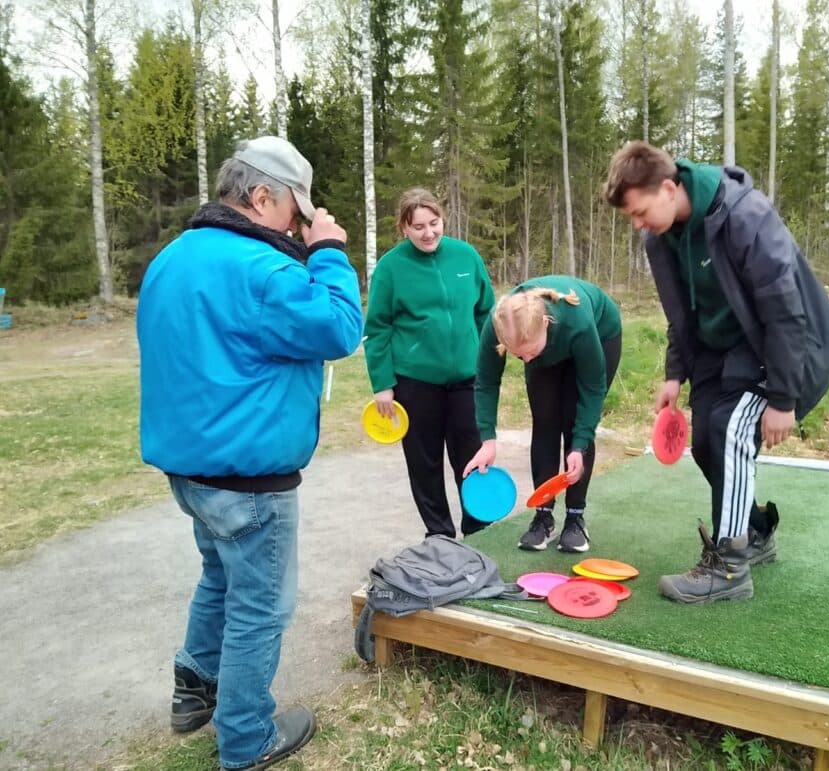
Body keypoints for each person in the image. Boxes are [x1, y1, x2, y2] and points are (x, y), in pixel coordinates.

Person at [137, 136, 363, 770]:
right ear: (262, 196)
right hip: (248, 479)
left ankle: (193, 689)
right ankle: (244, 739)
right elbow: (341, 327)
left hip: (190, 470)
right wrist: (328, 250)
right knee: (260, 606)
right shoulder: (263, 270)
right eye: (293, 212)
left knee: (219, 576)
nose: (294, 227)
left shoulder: (170, 259)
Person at [603, 140, 829, 604]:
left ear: (669, 188)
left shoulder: (744, 216)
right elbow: (680, 311)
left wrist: (783, 398)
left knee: (732, 431)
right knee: (707, 443)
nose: (637, 224)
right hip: (722, 351)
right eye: (631, 217)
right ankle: (755, 531)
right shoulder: (660, 237)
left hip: (784, 345)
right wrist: (674, 373)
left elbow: (784, 310)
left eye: (640, 212)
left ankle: (730, 567)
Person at [364, 188, 495, 539]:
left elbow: (486, 312)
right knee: (425, 463)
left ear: (442, 220)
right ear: (404, 228)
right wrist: (382, 384)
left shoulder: (466, 256)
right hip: (415, 383)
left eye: (434, 223)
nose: (428, 233)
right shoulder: (391, 267)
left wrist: (489, 356)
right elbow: (377, 329)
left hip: (467, 380)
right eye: (418, 226)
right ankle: (439, 535)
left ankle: (477, 529)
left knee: (472, 457)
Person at [464, 276, 622, 553]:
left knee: (574, 422)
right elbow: (486, 382)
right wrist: (487, 440)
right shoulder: (500, 324)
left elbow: (592, 389)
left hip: (601, 332)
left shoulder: (577, 323)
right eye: (518, 355)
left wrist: (579, 445)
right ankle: (543, 516)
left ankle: (575, 519)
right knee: (545, 420)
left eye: (529, 352)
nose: (526, 360)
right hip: (548, 341)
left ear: (546, 324)